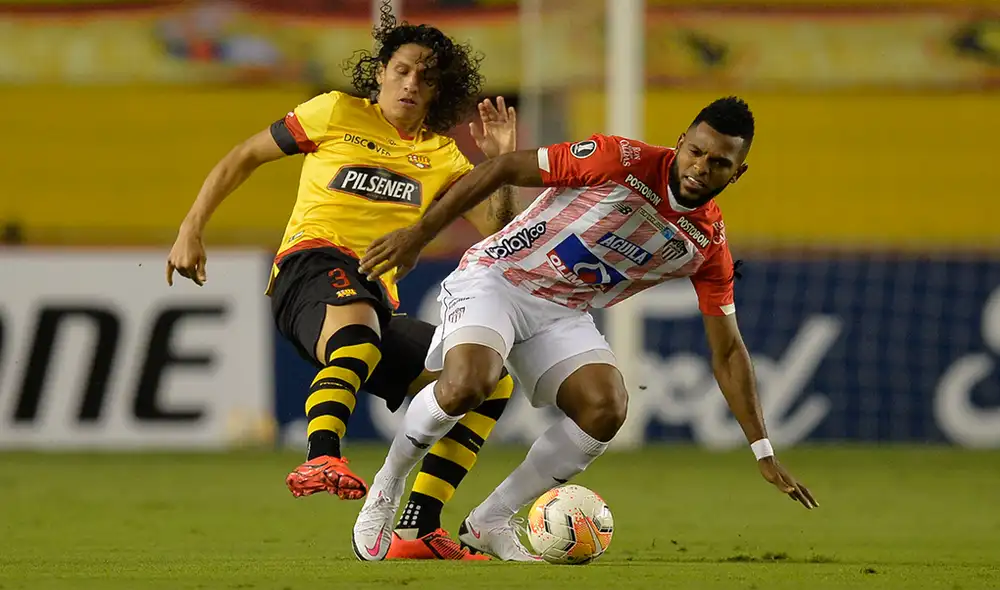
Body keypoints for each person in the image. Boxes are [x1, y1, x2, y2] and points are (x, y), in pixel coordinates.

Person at [354, 96, 818, 561]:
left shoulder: (706, 247)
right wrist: (418, 235)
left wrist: (762, 449)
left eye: (719, 163)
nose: (701, 167)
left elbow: (729, 352)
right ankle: (387, 485)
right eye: (696, 151)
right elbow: (499, 170)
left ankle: (490, 521)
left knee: (606, 408)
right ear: (681, 143)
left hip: (561, 312)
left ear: (737, 173)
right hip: (497, 278)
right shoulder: (617, 159)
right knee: (470, 384)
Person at [166, 2, 520, 561]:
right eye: (401, 70)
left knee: (488, 381)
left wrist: (499, 164)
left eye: (425, 78)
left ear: (438, 91)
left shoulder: (444, 157)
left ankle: (417, 525)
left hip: (375, 299)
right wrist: (191, 228)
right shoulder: (333, 113)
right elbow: (244, 156)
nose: (410, 84)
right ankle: (321, 454)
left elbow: (499, 229)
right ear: (380, 72)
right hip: (309, 269)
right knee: (358, 331)